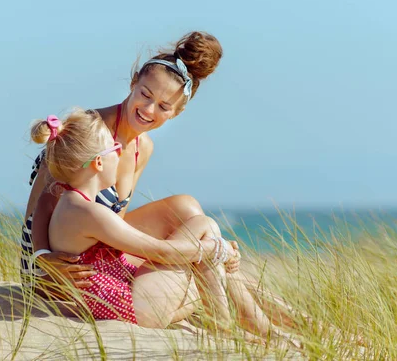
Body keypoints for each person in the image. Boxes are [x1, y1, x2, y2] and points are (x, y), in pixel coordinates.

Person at [22, 31, 297, 336]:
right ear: (133, 84)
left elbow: (117, 222)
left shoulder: (143, 148)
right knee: (200, 247)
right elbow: (44, 204)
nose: (150, 110)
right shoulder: (89, 133)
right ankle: (252, 319)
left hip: (98, 256)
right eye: (145, 95)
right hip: (53, 261)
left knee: (187, 209)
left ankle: (276, 319)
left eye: (165, 106)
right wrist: (44, 259)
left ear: (177, 112)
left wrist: (190, 251)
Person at [29, 109, 241, 328]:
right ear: (99, 163)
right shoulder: (89, 212)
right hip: (136, 308)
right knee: (205, 225)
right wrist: (218, 248)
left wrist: (211, 250)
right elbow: (160, 251)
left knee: (199, 279)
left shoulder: (71, 201)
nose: (120, 154)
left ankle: (222, 322)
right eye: (116, 149)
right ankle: (224, 325)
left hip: (125, 300)